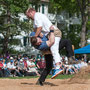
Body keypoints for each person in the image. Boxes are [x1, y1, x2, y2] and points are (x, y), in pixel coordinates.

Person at [26, 8, 63, 79]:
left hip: (54, 32)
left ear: (31, 12)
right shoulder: (35, 20)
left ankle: (58, 67)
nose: (28, 17)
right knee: (51, 51)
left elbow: (39, 27)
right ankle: (56, 67)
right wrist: (38, 34)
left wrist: (35, 37)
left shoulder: (37, 16)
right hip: (49, 34)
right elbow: (35, 29)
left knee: (54, 49)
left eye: (28, 15)